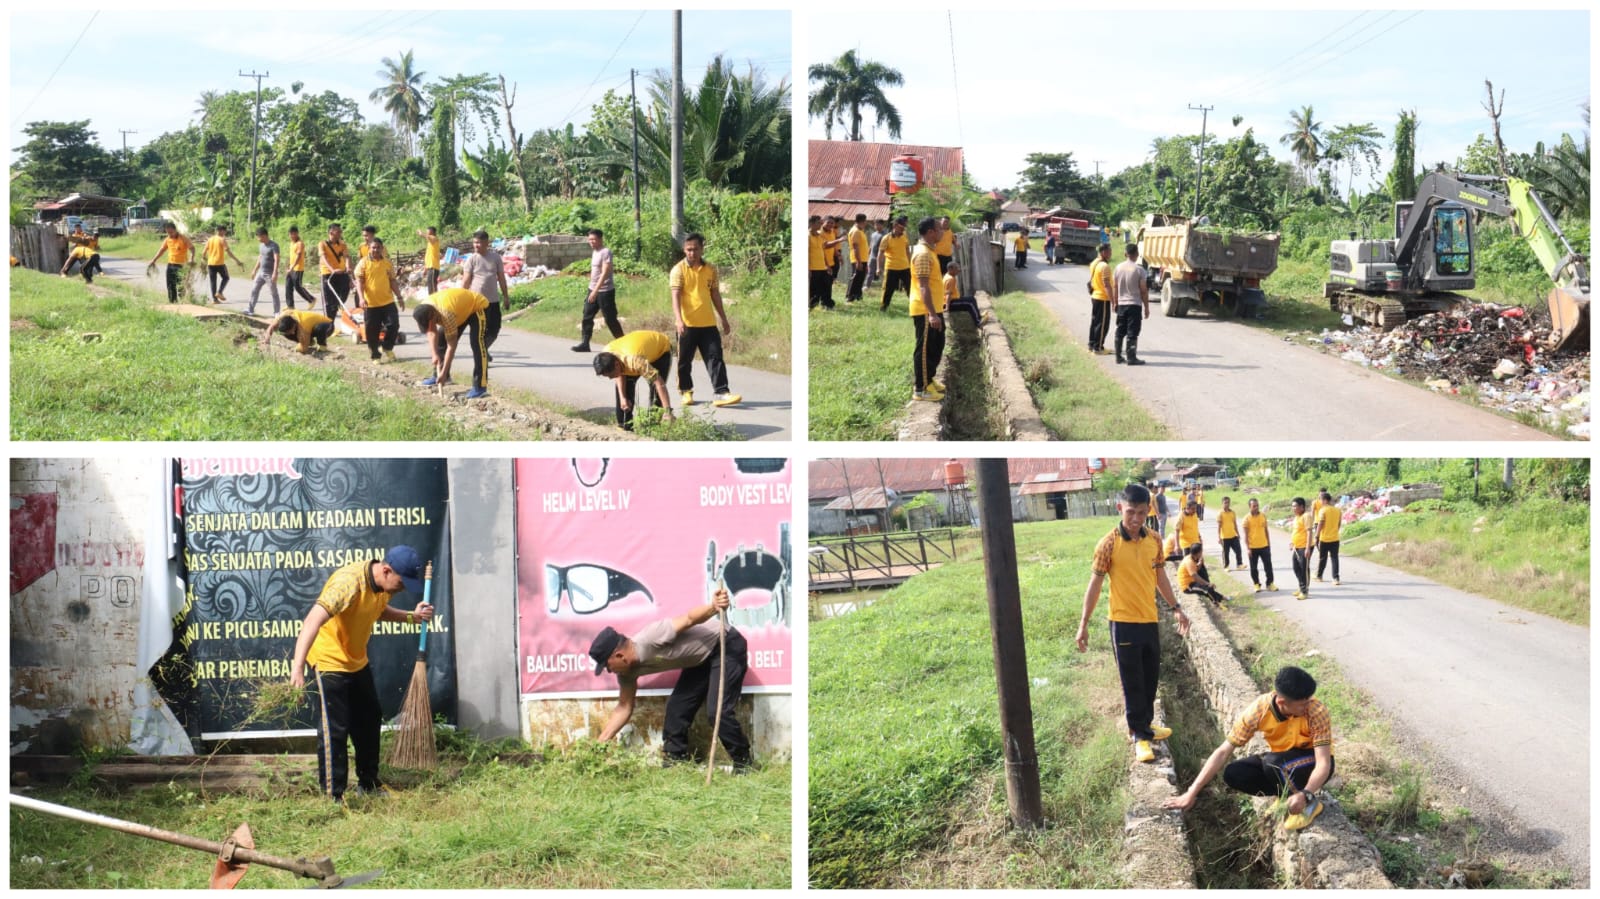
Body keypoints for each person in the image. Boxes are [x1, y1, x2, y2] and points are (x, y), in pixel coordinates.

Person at [288, 545, 434, 802]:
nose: (401, 590)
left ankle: (368, 784)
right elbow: (312, 620)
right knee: (335, 730)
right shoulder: (349, 584)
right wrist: (297, 668)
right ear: (387, 570)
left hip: (356, 661)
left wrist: (413, 617)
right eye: (401, 583)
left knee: (369, 717)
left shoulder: (382, 585)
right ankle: (333, 797)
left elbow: (378, 610)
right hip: (329, 661)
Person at [1076, 483, 1190, 764]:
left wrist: (1176, 608)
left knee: (1151, 678)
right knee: (1133, 682)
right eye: (1130, 513)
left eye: (1141, 512)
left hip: (1149, 619)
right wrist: (1084, 623)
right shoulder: (1108, 543)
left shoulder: (1153, 539)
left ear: (1149, 510)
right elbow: (1095, 585)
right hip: (1123, 623)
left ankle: (1146, 726)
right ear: (1120, 509)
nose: (1136, 519)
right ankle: (1139, 736)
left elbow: (1160, 577)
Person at [590, 586, 751, 770]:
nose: (609, 672)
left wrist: (713, 606)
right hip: (699, 660)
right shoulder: (626, 674)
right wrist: (600, 743)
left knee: (717, 712)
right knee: (677, 709)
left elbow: (689, 619)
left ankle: (744, 762)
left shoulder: (650, 638)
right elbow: (624, 707)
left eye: (607, 666)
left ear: (620, 656)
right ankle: (676, 763)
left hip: (724, 644)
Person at [1163, 666, 1335, 832]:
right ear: (1282, 702)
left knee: (1274, 763)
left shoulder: (1315, 711)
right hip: (1283, 762)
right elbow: (1223, 751)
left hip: (1311, 762)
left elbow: (1323, 762)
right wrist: (1191, 792)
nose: (1307, 706)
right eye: (1302, 704)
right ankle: (1286, 797)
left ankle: (1309, 804)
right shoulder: (1259, 711)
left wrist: (1306, 793)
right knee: (1234, 773)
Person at [671, 233, 741, 408]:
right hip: (687, 324)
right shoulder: (678, 270)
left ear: (702, 249)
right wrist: (679, 320)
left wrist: (723, 319)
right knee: (684, 360)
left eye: (695, 249)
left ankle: (721, 392)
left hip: (708, 323)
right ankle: (686, 391)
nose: (692, 253)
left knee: (715, 358)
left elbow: (715, 294)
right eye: (688, 250)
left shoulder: (710, 269)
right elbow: (676, 296)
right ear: (684, 250)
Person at [413, 287, 490, 399]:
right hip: (458, 310)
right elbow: (431, 332)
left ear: (433, 316)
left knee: (477, 344)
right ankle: (439, 376)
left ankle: (480, 387)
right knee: (441, 340)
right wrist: (434, 354)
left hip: (476, 307)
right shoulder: (424, 307)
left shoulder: (446, 315)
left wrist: (443, 371)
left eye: (430, 323)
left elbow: (451, 347)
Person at [593, 330, 675, 430]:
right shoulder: (606, 354)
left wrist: (667, 411)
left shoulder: (636, 361)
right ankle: (625, 427)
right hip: (635, 350)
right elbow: (619, 374)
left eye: (611, 375)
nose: (611, 378)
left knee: (656, 394)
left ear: (617, 365)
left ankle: (655, 427)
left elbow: (659, 383)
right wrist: (623, 398)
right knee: (623, 395)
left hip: (660, 351)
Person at [910, 217, 947, 402]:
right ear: (931, 232)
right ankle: (921, 389)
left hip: (934, 308)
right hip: (925, 310)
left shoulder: (929, 251)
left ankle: (929, 379)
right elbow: (923, 286)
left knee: (937, 345)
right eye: (940, 229)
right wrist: (932, 314)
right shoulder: (923, 253)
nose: (943, 232)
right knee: (925, 349)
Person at [352, 237, 403, 364]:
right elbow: (359, 281)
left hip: (388, 302)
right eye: (373, 247)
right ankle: (375, 355)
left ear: (382, 249)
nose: (375, 250)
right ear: (369, 248)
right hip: (371, 304)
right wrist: (361, 298)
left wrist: (399, 297)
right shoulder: (363, 263)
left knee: (394, 325)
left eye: (378, 247)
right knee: (372, 331)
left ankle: (387, 347)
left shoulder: (387, 263)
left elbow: (392, 280)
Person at [573, 228, 623, 352]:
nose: (591, 242)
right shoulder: (595, 252)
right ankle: (585, 343)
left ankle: (623, 343)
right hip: (593, 289)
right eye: (590, 239)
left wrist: (596, 291)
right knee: (587, 316)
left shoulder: (605, 252)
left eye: (594, 239)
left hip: (605, 291)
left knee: (610, 319)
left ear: (600, 239)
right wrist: (592, 289)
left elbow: (605, 272)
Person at [460, 230, 508, 355]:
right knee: (480, 330)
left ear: (487, 243)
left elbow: (501, 278)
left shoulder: (495, 258)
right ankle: (481, 354)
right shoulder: (471, 259)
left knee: (494, 329)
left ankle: (483, 349)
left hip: (493, 300)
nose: (476, 245)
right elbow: (466, 281)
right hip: (477, 302)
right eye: (475, 242)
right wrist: (461, 300)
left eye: (479, 243)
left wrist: (506, 297)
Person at [1111, 243, 1150, 365]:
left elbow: (1115, 287)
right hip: (1134, 305)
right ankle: (1131, 358)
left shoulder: (1118, 268)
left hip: (1122, 304)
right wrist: (1146, 307)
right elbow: (1143, 290)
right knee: (1132, 331)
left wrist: (1115, 302)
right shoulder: (1140, 270)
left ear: (1125, 254)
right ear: (1137, 254)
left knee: (1120, 330)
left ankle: (1118, 357)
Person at [147, 222, 194, 304]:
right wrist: (154, 260)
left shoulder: (183, 238)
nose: (170, 234)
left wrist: (191, 258)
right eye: (168, 232)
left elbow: (192, 249)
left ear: (175, 230)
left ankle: (183, 302)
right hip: (171, 265)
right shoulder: (167, 239)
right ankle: (173, 303)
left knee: (180, 285)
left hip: (181, 266)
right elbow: (162, 250)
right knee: (170, 285)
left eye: (171, 232)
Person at [318, 223, 354, 321]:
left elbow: (346, 257)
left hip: (341, 273)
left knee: (345, 290)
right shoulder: (323, 244)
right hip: (328, 274)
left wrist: (347, 267)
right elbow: (323, 258)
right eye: (338, 231)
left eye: (340, 231)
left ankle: (337, 306)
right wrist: (332, 270)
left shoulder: (342, 244)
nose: (340, 233)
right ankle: (328, 323)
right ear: (331, 232)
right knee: (328, 302)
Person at [807, 216, 844, 310]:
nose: (820, 224)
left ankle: (826, 305)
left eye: (820, 222)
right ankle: (811, 306)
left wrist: (827, 265)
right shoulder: (808, 236)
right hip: (813, 268)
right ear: (812, 223)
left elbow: (823, 250)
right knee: (813, 289)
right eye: (819, 223)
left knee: (825, 286)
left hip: (822, 267)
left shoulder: (818, 236)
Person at [203, 225, 246, 304]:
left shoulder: (210, 239)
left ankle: (215, 300)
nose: (225, 233)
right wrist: (237, 261)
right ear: (222, 231)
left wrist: (206, 260)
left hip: (210, 264)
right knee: (226, 278)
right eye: (225, 231)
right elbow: (228, 252)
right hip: (219, 263)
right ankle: (219, 292)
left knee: (213, 282)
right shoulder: (222, 240)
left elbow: (204, 253)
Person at [263, 308, 335, 354]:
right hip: (310, 327)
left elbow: (304, 348)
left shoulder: (303, 325)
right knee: (285, 333)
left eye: (291, 330)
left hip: (328, 326)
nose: (292, 333)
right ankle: (311, 342)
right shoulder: (284, 315)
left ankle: (322, 345)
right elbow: (272, 326)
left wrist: (299, 348)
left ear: (294, 325)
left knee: (319, 328)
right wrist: (267, 337)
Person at [878, 217, 911, 310]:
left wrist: (910, 264)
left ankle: (914, 306)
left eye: (904, 228)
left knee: (910, 288)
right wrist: (878, 267)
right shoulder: (886, 238)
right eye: (901, 227)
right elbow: (880, 254)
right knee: (888, 289)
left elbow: (907, 250)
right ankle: (884, 307)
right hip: (891, 268)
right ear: (895, 226)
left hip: (905, 267)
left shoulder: (904, 236)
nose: (903, 229)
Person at [247, 227, 281, 316]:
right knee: (254, 290)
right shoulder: (261, 246)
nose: (258, 239)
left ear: (265, 235)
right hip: (261, 273)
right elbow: (260, 258)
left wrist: (275, 273)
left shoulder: (274, 245)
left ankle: (276, 312)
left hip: (269, 274)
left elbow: (277, 259)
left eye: (259, 237)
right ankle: (250, 309)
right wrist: (254, 270)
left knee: (273, 293)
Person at [1243, 498, 1276, 592]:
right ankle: (1256, 584)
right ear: (1250, 507)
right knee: (1254, 568)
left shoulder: (1263, 516)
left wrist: (1268, 544)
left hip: (1264, 546)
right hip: (1253, 548)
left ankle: (1270, 584)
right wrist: (1248, 548)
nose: (1256, 507)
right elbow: (1245, 535)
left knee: (1268, 566)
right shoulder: (1246, 519)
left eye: (1257, 505)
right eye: (1254, 506)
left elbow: (1266, 531)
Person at [1088, 243, 1113, 354]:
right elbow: (1107, 285)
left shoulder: (1094, 263)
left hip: (1095, 296)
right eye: (1109, 251)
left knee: (1095, 322)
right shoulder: (1105, 266)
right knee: (1102, 324)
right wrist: (1112, 300)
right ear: (1103, 252)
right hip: (1103, 297)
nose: (1111, 253)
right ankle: (1098, 348)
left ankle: (1091, 344)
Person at [283, 226, 316, 309]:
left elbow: (298, 257)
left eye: (294, 234)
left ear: (297, 233)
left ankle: (311, 299)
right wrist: (288, 266)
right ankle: (290, 306)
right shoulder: (292, 243)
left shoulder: (300, 243)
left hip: (298, 269)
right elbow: (291, 256)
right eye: (291, 234)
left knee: (298, 287)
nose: (292, 236)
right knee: (288, 286)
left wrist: (292, 267)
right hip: (291, 268)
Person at [942, 261, 983, 328]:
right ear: (950, 269)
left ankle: (978, 317)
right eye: (956, 268)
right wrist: (947, 307)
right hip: (949, 303)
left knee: (971, 299)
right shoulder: (950, 279)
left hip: (951, 301)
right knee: (970, 303)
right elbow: (948, 295)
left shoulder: (947, 275)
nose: (959, 270)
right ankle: (978, 322)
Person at [1314, 491, 1342, 586]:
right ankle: (1336, 578)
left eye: (1320, 499)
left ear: (1325, 500)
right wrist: (1334, 532)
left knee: (1322, 558)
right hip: (1335, 538)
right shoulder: (1338, 510)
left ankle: (1319, 576)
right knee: (1334, 558)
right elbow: (1339, 524)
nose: (1320, 501)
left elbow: (1320, 524)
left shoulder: (1323, 510)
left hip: (1324, 539)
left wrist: (1316, 536)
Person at [1289, 497, 1314, 600]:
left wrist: (1307, 548)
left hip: (1305, 547)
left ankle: (1304, 591)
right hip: (1297, 547)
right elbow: (1296, 531)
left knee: (1304, 569)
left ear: (1302, 507)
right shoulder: (1297, 517)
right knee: (1296, 567)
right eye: (1292, 506)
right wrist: (1292, 542)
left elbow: (1309, 532)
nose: (1293, 508)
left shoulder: (1306, 516)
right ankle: (1301, 586)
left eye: (1295, 506)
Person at [845, 213, 870, 302]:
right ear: (862, 221)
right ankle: (849, 296)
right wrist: (858, 262)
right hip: (858, 259)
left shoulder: (860, 231)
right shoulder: (855, 231)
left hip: (863, 258)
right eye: (865, 221)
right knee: (855, 277)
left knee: (860, 278)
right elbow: (855, 247)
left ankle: (858, 296)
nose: (866, 223)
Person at [1216, 496, 1243, 571]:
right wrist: (1219, 537)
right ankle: (1226, 566)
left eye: (1228, 502)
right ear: (1222, 504)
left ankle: (1239, 564)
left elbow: (1235, 524)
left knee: (1238, 550)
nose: (1227, 504)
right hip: (1224, 537)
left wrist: (1238, 534)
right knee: (1226, 553)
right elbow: (1219, 526)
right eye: (1225, 503)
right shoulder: (1220, 514)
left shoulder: (1232, 513)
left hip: (1233, 535)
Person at [417, 226, 441, 295]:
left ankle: (434, 302)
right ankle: (432, 302)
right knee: (430, 286)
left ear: (433, 232)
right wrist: (425, 269)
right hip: (430, 267)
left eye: (428, 232)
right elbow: (428, 258)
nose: (427, 234)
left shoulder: (435, 239)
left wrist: (422, 234)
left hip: (433, 267)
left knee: (432, 286)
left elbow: (429, 237)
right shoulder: (430, 244)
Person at [866, 218, 887, 288]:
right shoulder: (873, 234)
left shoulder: (885, 235)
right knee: (870, 273)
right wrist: (868, 254)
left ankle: (884, 287)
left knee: (882, 272)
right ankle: (867, 286)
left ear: (882, 225)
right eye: (875, 225)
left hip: (881, 257)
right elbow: (871, 245)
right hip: (872, 256)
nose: (876, 226)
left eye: (878, 225)